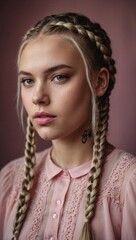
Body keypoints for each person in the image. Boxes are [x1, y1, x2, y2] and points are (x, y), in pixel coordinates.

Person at [0, 12, 136, 240]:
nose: (38, 97)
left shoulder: (128, 186)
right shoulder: (10, 180)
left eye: (59, 77)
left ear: (99, 82)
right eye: (28, 81)